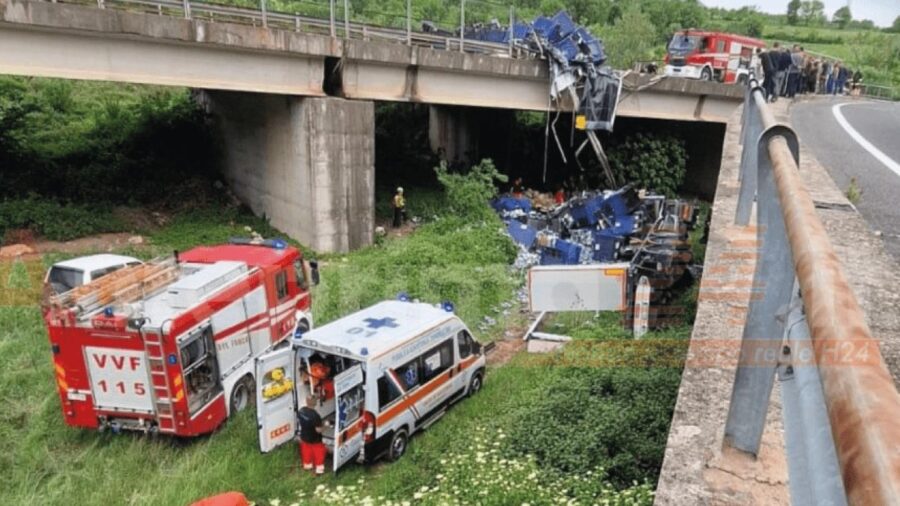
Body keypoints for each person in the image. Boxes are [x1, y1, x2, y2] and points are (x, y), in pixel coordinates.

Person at [298, 396, 327, 475]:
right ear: (315, 403)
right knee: (319, 453)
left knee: (306, 451)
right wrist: (326, 426)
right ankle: (319, 470)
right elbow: (318, 430)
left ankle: (307, 466)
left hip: (304, 436)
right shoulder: (315, 415)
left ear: (306, 401)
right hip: (314, 439)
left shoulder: (301, 411)